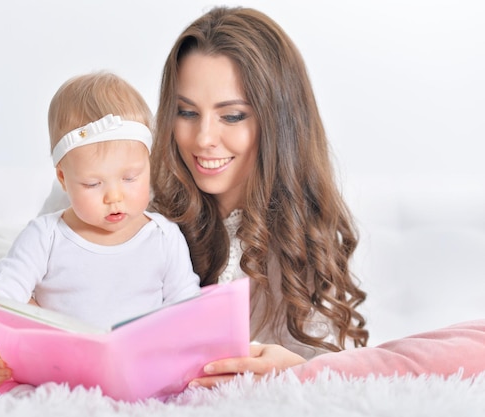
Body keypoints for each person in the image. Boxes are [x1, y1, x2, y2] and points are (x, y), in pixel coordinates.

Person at [149, 6, 369, 388]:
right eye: (186, 112)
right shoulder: (133, 200)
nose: (203, 139)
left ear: (279, 121)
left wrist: (297, 369)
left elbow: (340, 367)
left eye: (232, 116)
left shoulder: (304, 236)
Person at [0, 72, 200, 393]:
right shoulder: (46, 235)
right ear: (63, 178)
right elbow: (3, 290)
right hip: (59, 364)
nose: (114, 196)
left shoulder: (163, 237)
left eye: (130, 177)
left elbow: (186, 305)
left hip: (136, 362)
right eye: (93, 184)